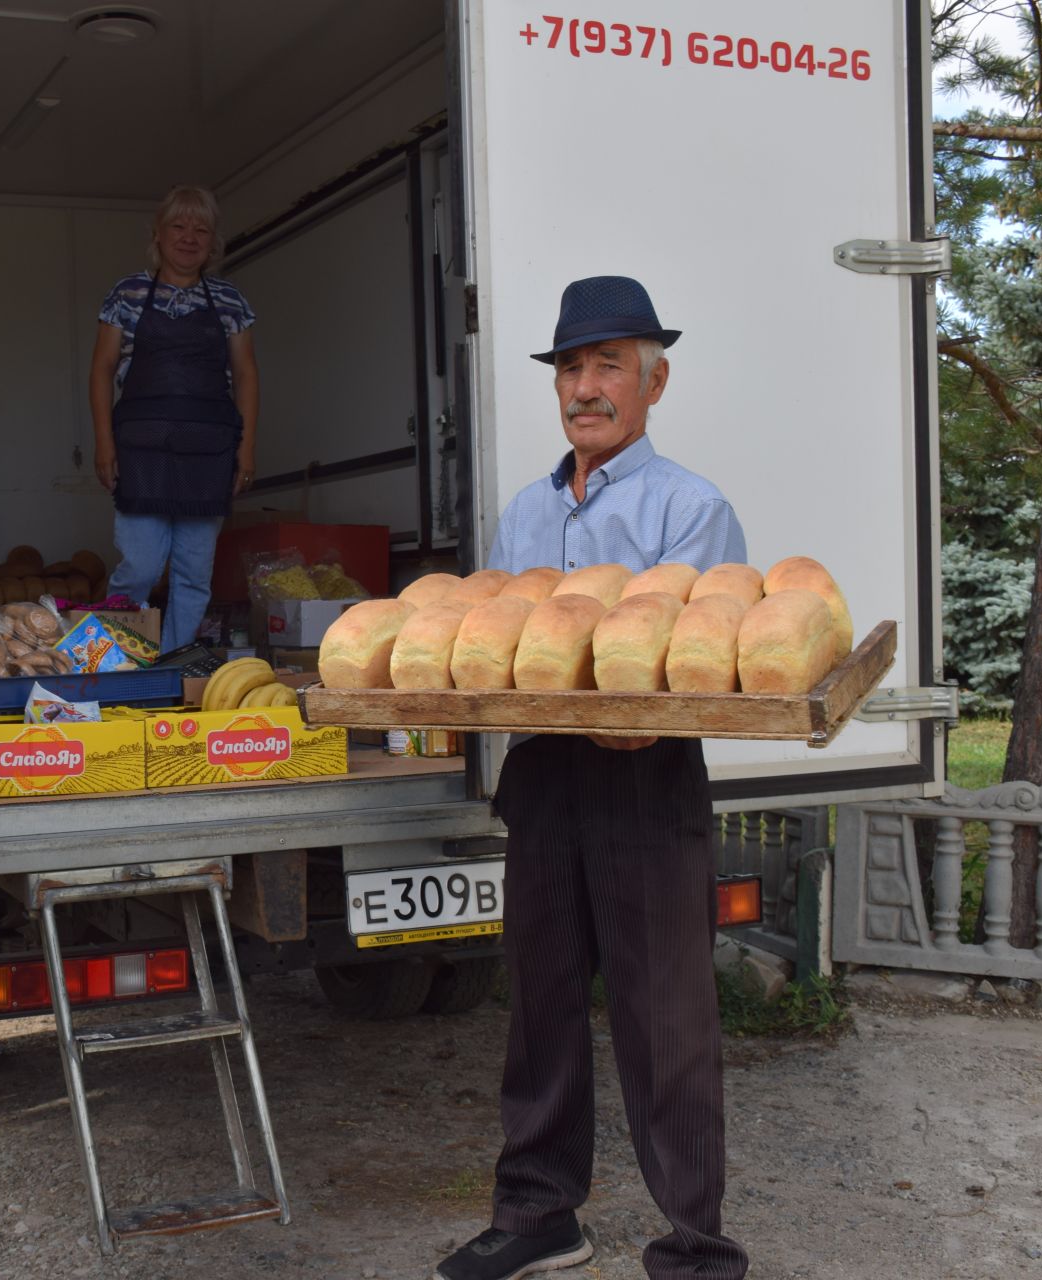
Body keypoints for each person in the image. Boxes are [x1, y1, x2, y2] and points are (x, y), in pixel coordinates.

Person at [436, 277, 750, 1280]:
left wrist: (626, 711)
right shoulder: (527, 512)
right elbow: (492, 651)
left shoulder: (691, 508)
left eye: (609, 362)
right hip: (543, 776)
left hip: (645, 782)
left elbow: (697, 656)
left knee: (667, 1020)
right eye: (571, 365)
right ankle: (539, 1213)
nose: (585, 384)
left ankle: (695, 1248)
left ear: (655, 379)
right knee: (541, 1001)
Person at [90, 184, 260, 653]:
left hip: (208, 456)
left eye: (201, 229)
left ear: (212, 242)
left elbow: (246, 376)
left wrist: (245, 450)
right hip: (141, 450)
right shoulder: (127, 293)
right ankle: (112, 661)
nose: (189, 237)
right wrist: (104, 443)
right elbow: (102, 371)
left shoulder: (229, 301)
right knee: (141, 565)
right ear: (158, 235)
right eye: (178, 226)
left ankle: (169, 663)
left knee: (193, 573)